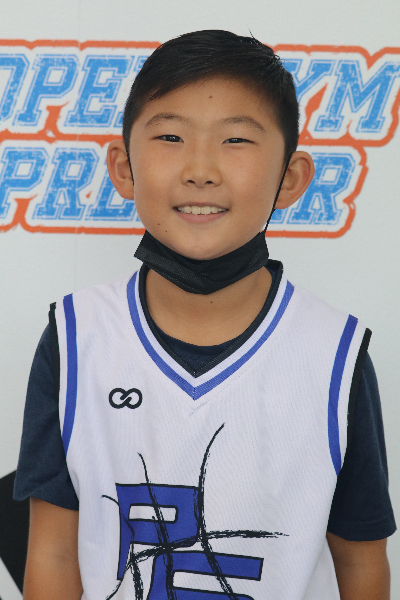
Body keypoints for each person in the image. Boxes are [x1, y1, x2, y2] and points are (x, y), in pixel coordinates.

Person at [14, 30, 395, 600]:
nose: (200, 169)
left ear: (290, 177)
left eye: (236, 140)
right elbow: (53, 552)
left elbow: (362, 564)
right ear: (123, 167)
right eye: (170, 136)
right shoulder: (75, 337)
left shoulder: (334, 354)